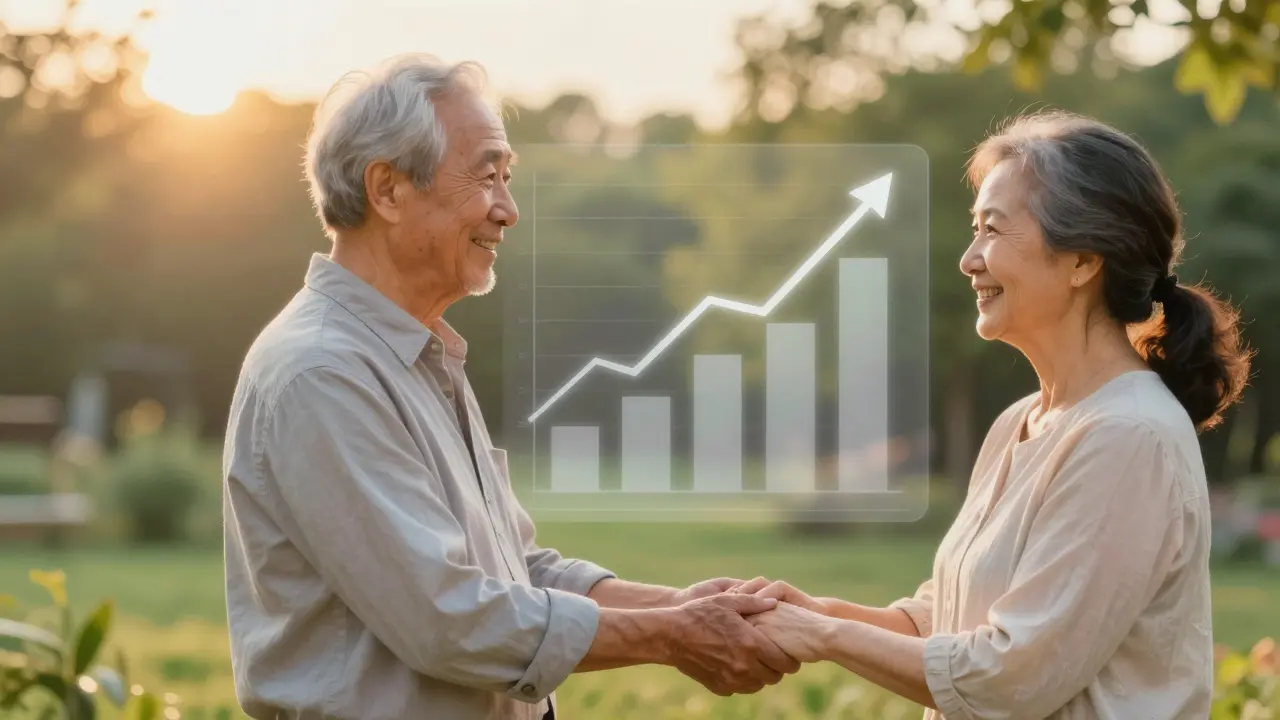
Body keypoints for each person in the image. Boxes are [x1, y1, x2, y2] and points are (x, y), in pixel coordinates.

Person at [220, 53, 798, 720]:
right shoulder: (322, 374)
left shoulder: (417, 352)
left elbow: (514, 573)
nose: (508, 211)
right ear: (387, 190)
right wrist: (676, 635)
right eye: (487, 176)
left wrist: (681, 605)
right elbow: (449, 620)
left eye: (507, 178)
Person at [733, 110, 1253, 718]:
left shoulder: (1128, 436)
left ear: (1084, 261)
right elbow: (953, 618)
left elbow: (1010, 677)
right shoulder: (1020, 423)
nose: (969, 258)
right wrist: (823, 614)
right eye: (974, 229)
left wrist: (824, 638)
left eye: (993, 230)